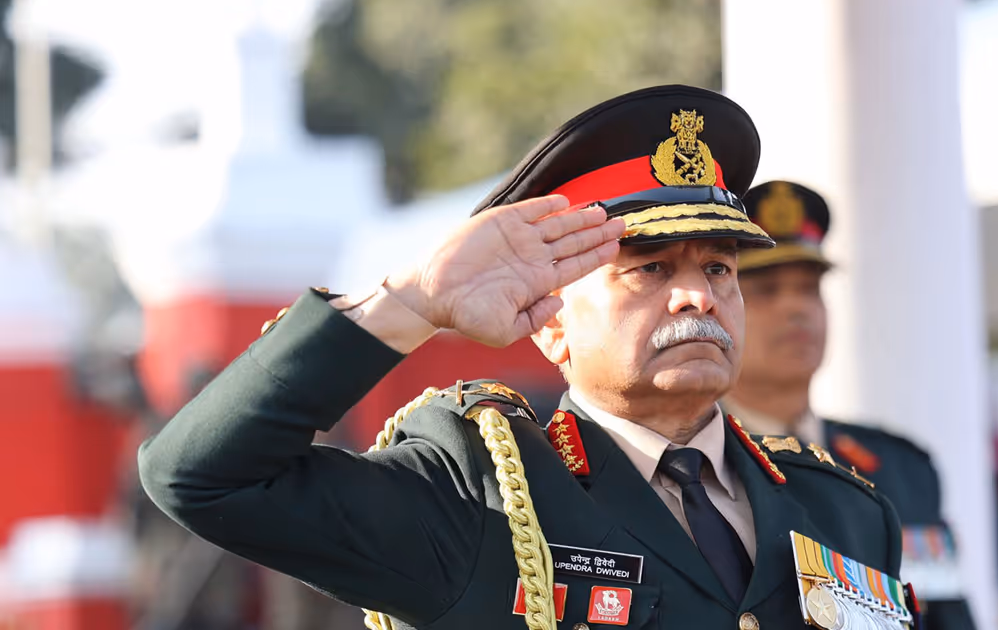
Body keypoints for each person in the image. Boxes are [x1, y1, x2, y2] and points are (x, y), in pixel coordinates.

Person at [139, 86, 917, 630]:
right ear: (550, 326)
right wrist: (407, 304)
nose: (696, 298)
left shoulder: (845, 510)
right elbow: (200, 477)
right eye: (650, 270)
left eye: (717, 268)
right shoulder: (478, 496)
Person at [723, 180, 977, 629]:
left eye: (809, 288)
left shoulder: (900, 467)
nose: (796, 308)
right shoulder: (700, 465)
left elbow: (943, 615)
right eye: (765, 290)